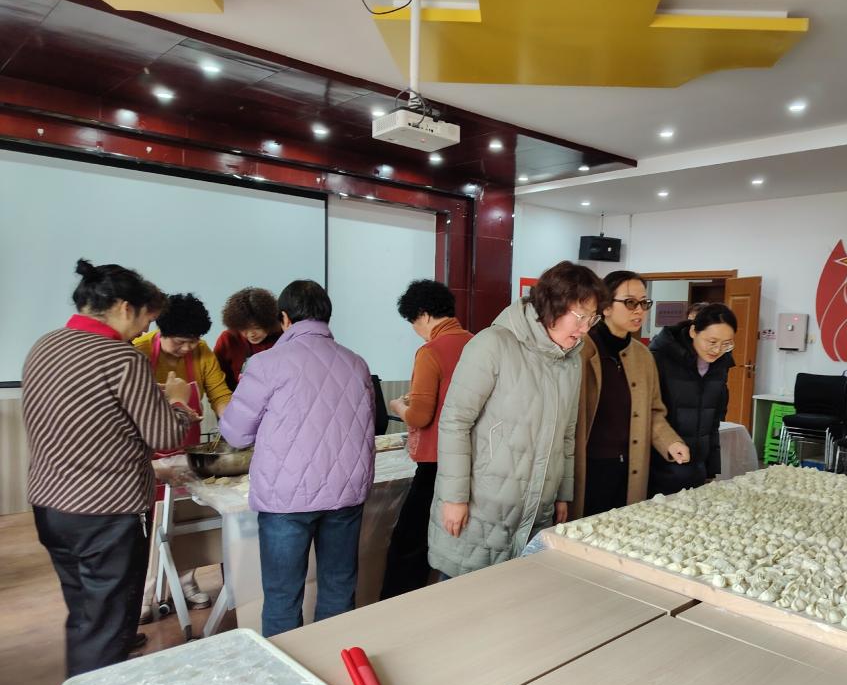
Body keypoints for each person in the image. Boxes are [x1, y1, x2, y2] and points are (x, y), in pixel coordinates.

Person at [23, 260, 195, 677]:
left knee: (86, 610)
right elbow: (164, 436)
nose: (142, 330)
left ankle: (99, 664)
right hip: (105, 513)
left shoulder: (45, 345)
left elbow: (87, 421)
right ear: (124, 307)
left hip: (51, 505)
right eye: (144, 320)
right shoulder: (121, 358)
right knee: (106, 624)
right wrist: (177, 400)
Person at [429, 261, 605, 579]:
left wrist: (563, 493)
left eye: (592, 318)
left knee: (519, 598)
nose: (585, 328)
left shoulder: (571, 360)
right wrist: (454, 497)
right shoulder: (493, 344)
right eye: (580, 316)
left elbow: (567, 433)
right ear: (552, 306)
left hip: (537, 508)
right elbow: (455, 422)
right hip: (480, 508)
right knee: (462, 597)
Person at [220, 280, 375, 637]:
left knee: (282, 596)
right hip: (346, 493)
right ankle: (333, 658)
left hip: (286, 498)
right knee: (339, 588)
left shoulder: (266, 364)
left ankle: (287, 663)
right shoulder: (356, 363)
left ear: (285, 318)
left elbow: (236, 434)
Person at [134, 293, 233, 618]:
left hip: (185, 450)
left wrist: (234, 423)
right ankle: (144, 595)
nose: (188, 348)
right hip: (147, 454)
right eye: (180, 342)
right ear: (161, 331)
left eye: (193, 341)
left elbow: (219, 394)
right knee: (151, 528)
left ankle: (186, 583)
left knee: (187, 519)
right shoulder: (140, 351)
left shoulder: (202, 353)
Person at [380, 280, 472, 599]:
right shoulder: (476, 343)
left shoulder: (431, 351)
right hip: (473, 459)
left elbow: (420, 416)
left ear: (423, 314)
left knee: (409, 543)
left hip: (436, 462)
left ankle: (398, 609)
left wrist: (398, 406)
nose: (415, 330)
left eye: (413, 321)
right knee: (457, 541)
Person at [573, 271, 689, 518]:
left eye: (644, 303)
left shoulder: (643, 356)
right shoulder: (580, 350)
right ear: (605, 307)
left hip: (630, 467)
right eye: (630, 302)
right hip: (588, 468)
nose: (639, 310)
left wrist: (670, 442)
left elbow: (653, 411)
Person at [648, 302, 737, 496]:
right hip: (660, 465)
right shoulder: (660, 358)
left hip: (697, 466)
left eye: (726, 344)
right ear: (693, 332)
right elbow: (648, 414)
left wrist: (711, 468)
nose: (717, 350)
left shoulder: (720, 365)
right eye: (712, 342)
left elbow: (713, 420)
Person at [214, 287, 282, 391]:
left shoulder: (284, 337)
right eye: (244, 329)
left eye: (257, 328)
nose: (251, 334)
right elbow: (217, 381)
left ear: (269, 323)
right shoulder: (227, 339)